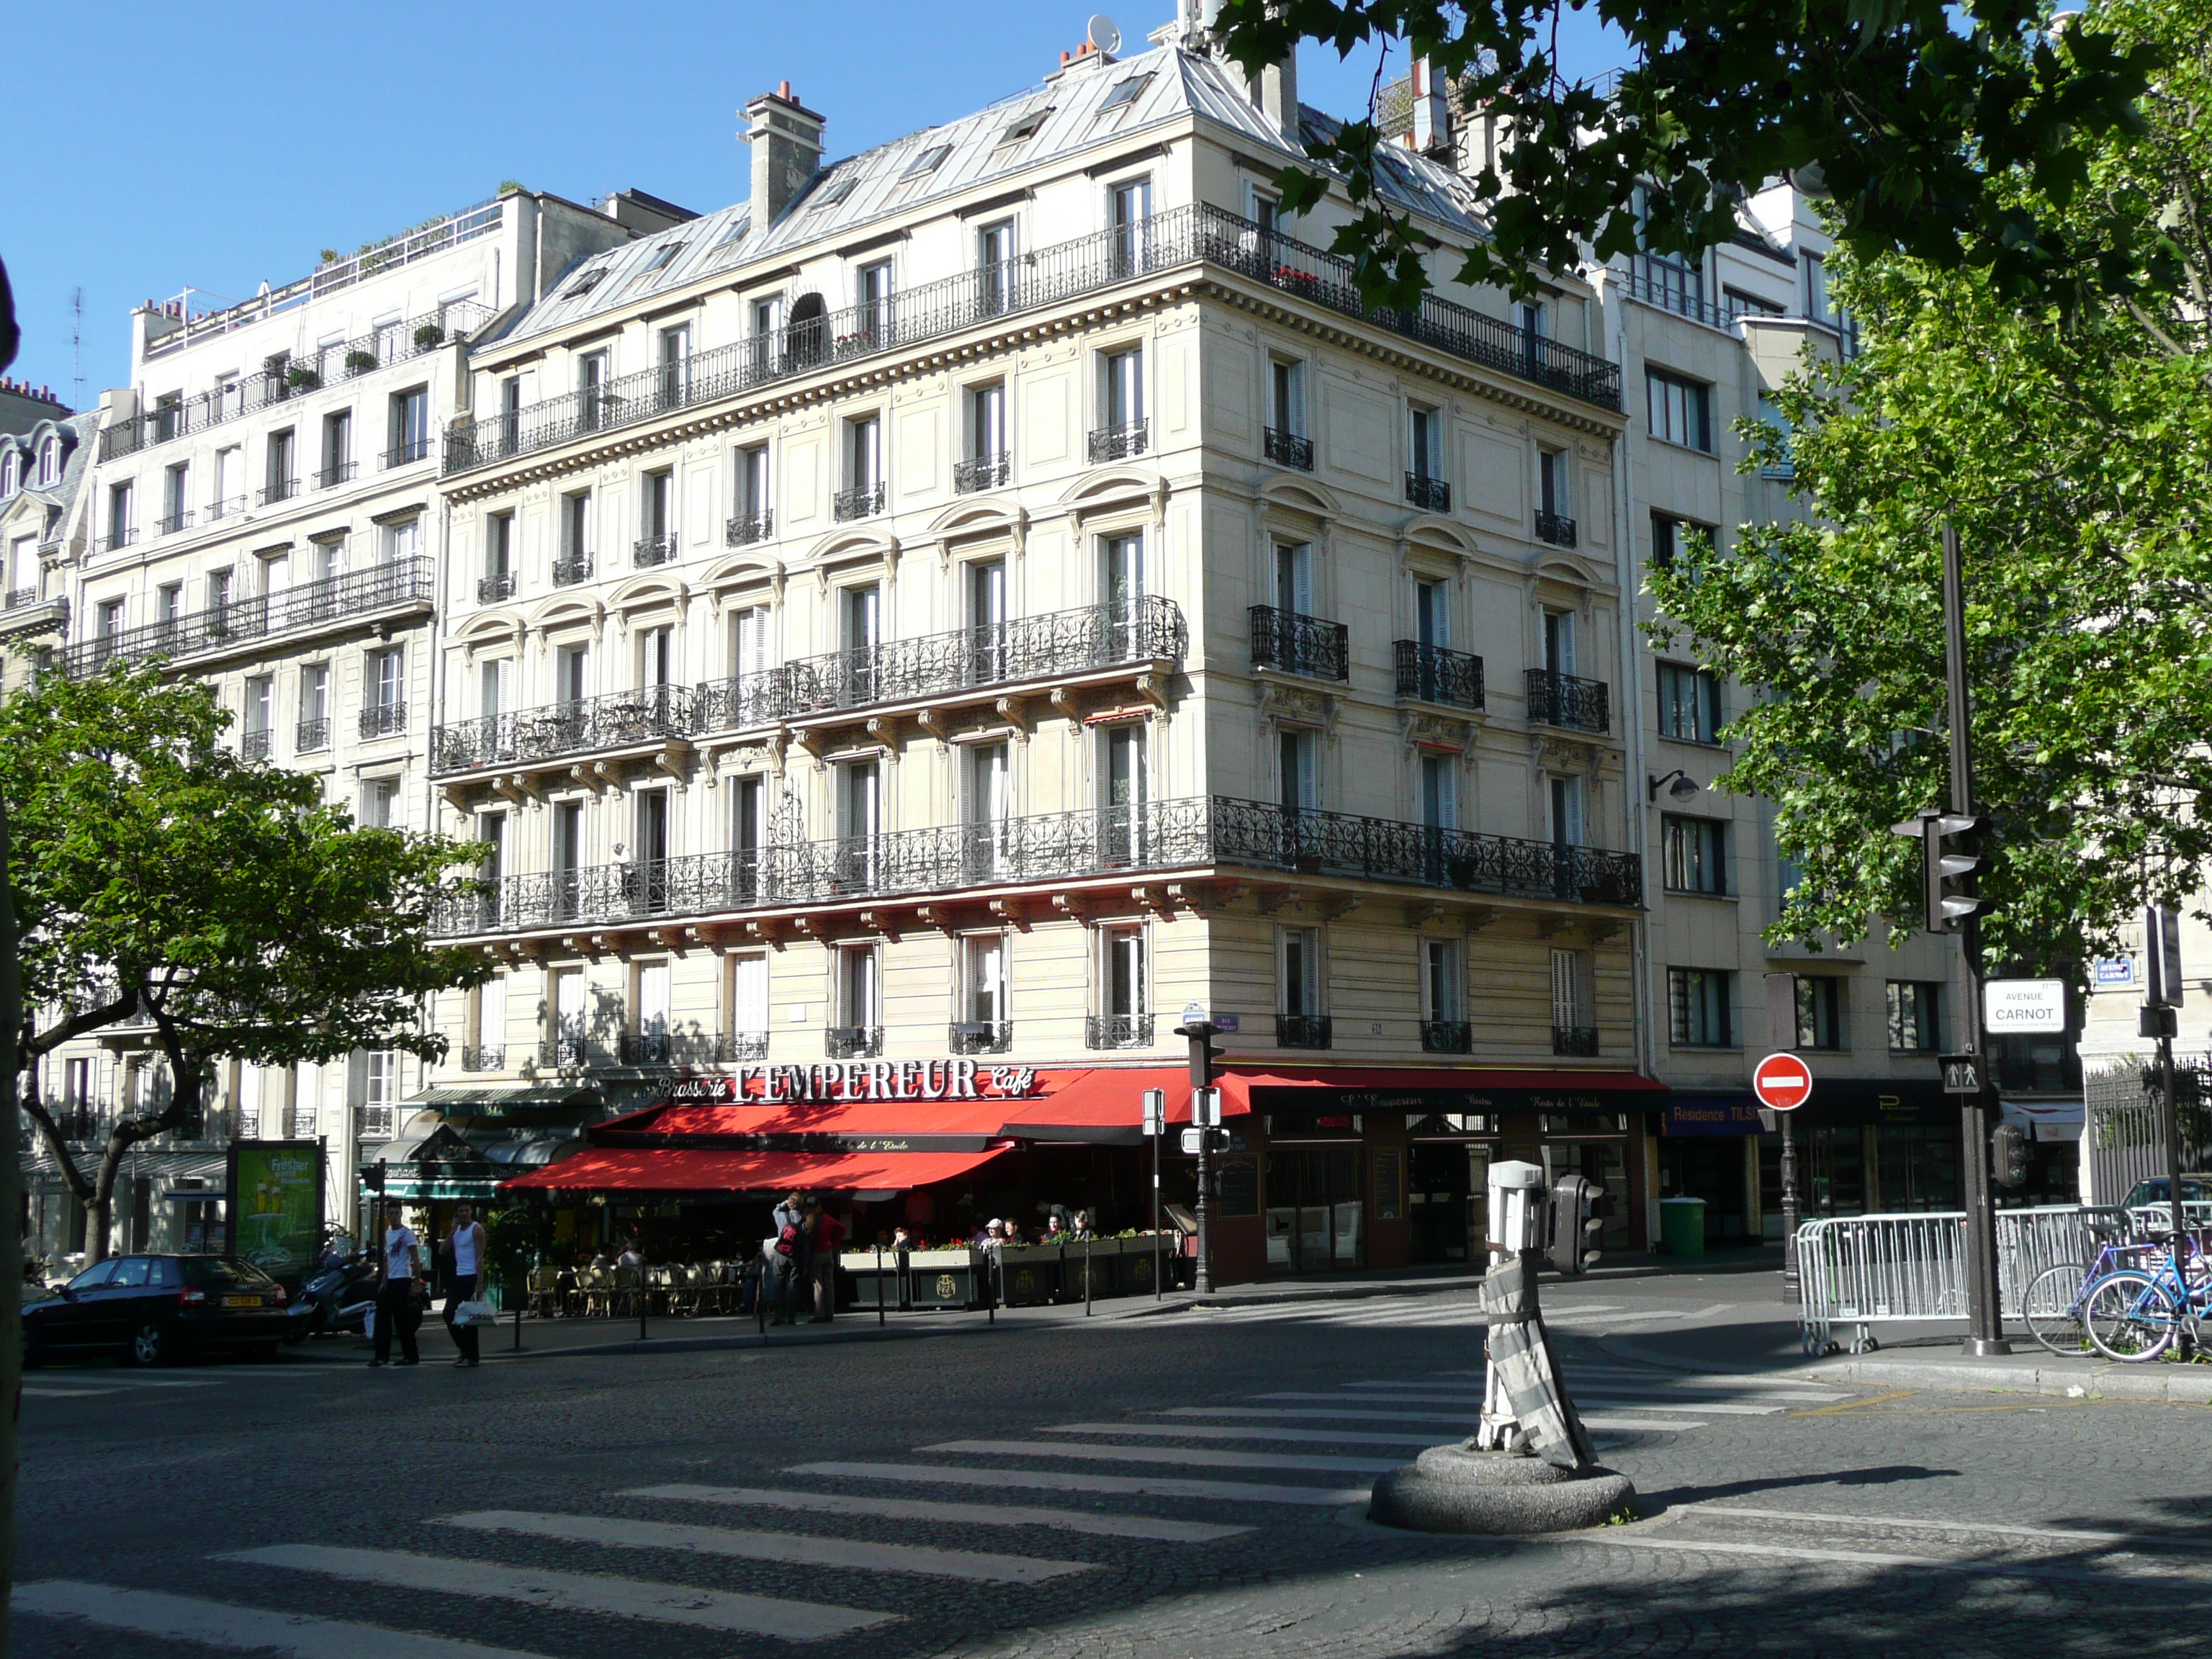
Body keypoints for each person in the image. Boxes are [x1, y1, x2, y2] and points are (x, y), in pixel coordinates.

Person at [370, 1210, 423, 1367]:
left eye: (395, 1214)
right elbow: (389, 1259)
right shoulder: (389, 1233)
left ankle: (410, 1355)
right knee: (383, 1317)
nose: (393, 1217)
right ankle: (382, 1355)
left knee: (401, 1319)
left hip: (402, 1278)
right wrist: (384, 1281)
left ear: (400, 1214)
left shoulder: (407, 1233)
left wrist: (417, 1281)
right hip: (391, 1279)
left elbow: (414, 1257)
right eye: (390, 1214)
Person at [442, 1202, 487, 1370]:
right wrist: (452, 1231)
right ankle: (464, 1349)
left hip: (471, 1276)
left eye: (466, 1210)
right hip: (459, 1275)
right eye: (461, 1211)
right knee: (448, 1313)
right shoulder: (457, 1232)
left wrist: (479, 1284)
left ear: (471, 1211)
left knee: (470, 1319)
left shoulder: (476, 1230)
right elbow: (442, 1250)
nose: (464, 1214)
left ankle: (473, 1356)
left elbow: (480, 1257)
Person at [768, 1192, 808, 1326]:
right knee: (793, 1286)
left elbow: (775, 1210)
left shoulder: (781, 1216)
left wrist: (783, 1204)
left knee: (779, 1285)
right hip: (795, 1255)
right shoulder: (803, 1219)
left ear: (789, 1203)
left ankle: (778, 1317)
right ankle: (791, 1317)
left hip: (781, 1254)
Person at [807, 1198, 846, 1323]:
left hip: (816, 1253)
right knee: (829, 1284)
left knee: (818, 1285)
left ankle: (819, 1314)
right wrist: (834, 1244)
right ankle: (830, 1313)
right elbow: (842, 1229)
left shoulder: (811, 1220)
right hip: (828, 1252)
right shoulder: (827, 1218)